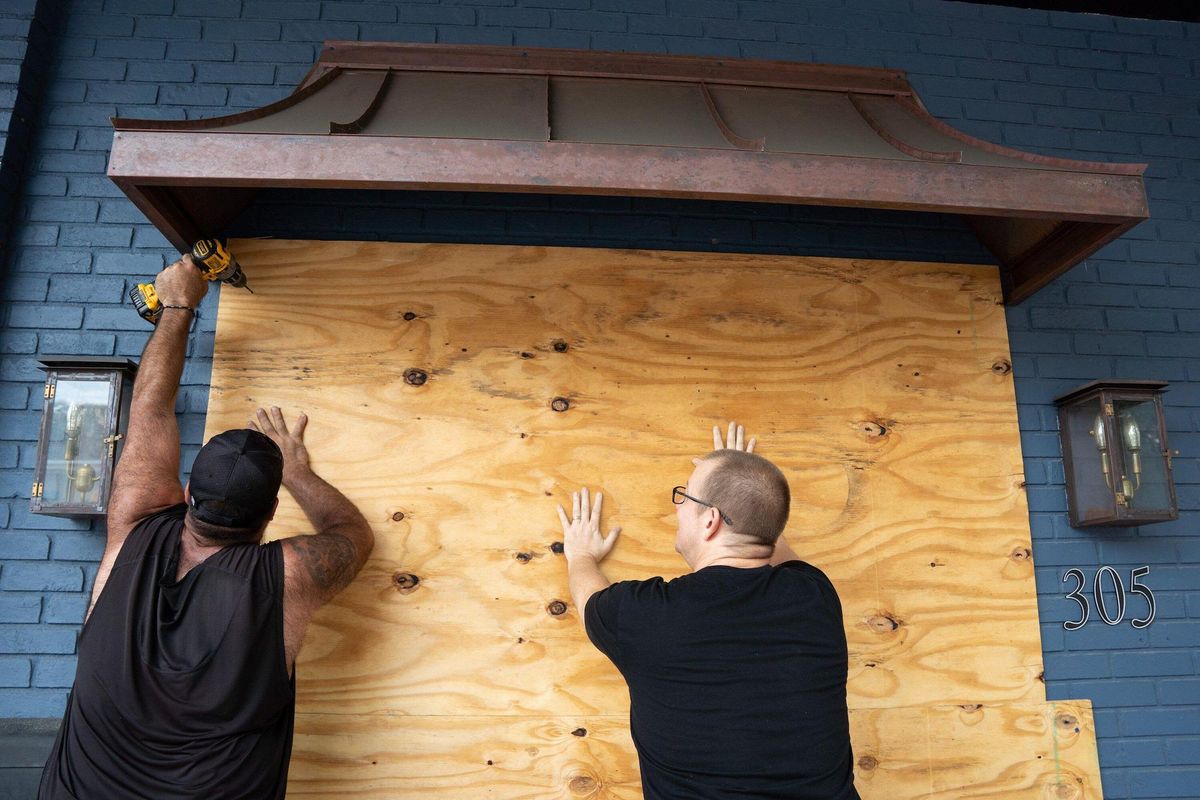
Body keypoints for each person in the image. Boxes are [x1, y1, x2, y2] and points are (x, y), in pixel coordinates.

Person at [39, 256, 375, 800]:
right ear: (269, 515)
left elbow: (149, 409)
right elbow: (352, 534)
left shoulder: (134, 520)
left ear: (189, 494)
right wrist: (297, 472)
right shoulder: (286, 575)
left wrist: (178, 305)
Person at [556, 422, 859, 800]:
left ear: (711, 520)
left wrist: (581, 555)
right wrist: (746, 491)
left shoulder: (645, 616)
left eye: (684, 497)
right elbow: (766, 538)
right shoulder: (814, 597)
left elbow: (589, 600)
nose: (678, 506)